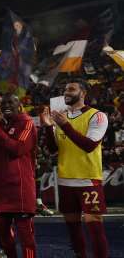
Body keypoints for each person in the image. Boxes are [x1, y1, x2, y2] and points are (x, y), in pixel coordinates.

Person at [41, 79, 109, 258]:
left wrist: (64, 125)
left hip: (88, 179)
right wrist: (48, 127)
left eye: (71, 89)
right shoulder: (60, 116)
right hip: (65, 180)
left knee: (94, 223)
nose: (66, 92)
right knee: (72, 225)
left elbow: (89, 145)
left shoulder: (97, 115)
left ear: (83, 93)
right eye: (65, 90)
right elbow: (54, 149)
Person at [0, 93, 37, 258]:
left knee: (26, 237)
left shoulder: (26, 122)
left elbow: (17, 149)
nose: (6, 106)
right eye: (3, 104)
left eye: (10, 102)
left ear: (19, 105)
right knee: (3, 235)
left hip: (19, 189)